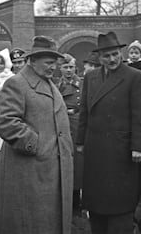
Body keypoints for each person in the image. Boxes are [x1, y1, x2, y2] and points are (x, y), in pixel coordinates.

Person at [0, 36, 74, 234]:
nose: (53, 67)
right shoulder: (18, 84)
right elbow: (6, 122)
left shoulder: (48, 83)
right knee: (31, 224)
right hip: (30, 172)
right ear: (33, 60)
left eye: (55, 63)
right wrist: (37, 145)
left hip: (49, 171)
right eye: (49, 62)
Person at [76, 31, 141, 234]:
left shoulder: (135, 77)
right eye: (106, 56)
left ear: (121, 53)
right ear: (99, 58)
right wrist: (80, 141)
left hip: (121, 150)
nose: (111, 59)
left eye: (115, 54)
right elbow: (84, 111)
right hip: (95, 148)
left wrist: (138, 147)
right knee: (96, 201)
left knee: (119, 204)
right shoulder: (91, 77)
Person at [57, 53, 84, 213]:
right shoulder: (56, 85)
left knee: (78, 165)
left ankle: (76, 201)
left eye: (71, 67)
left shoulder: (81, 84)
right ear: (60, 68)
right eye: (65, 67)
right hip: (61, 127)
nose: (68, 70)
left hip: (76, 127)